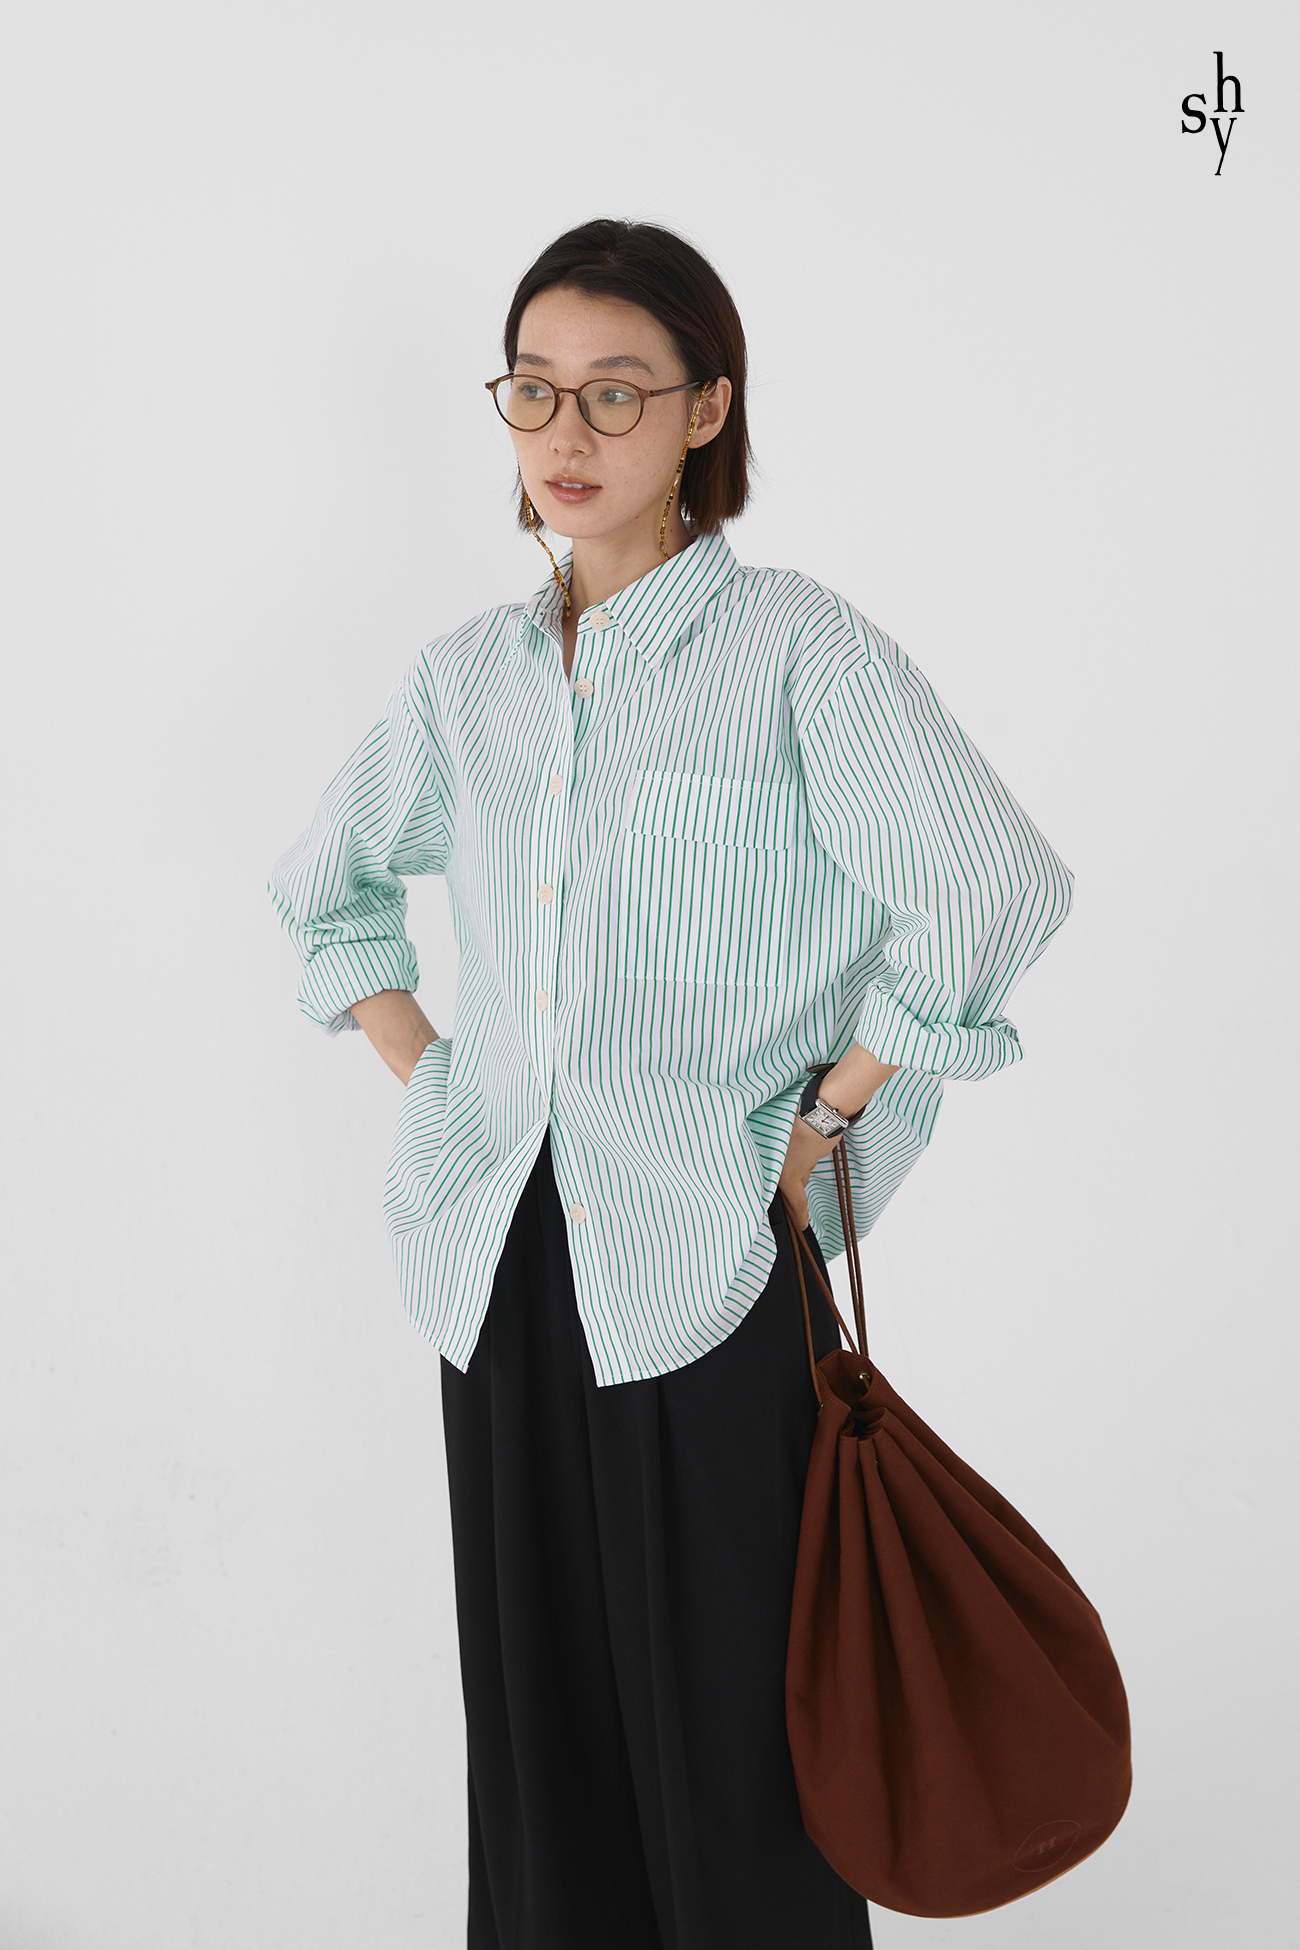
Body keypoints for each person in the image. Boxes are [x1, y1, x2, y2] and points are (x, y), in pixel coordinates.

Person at [268, 217, 1075, 1950]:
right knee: (541, 1751)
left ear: (706, 408)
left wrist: (829, 1114)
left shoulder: (796, 648)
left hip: (709, 1262)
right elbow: (324, 891)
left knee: (736, 1765)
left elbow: (992, 886)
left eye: (617, 393)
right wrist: (440, 1080)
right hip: (498, 1264)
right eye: (534, 389)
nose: (567, 433)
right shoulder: (466, 681)